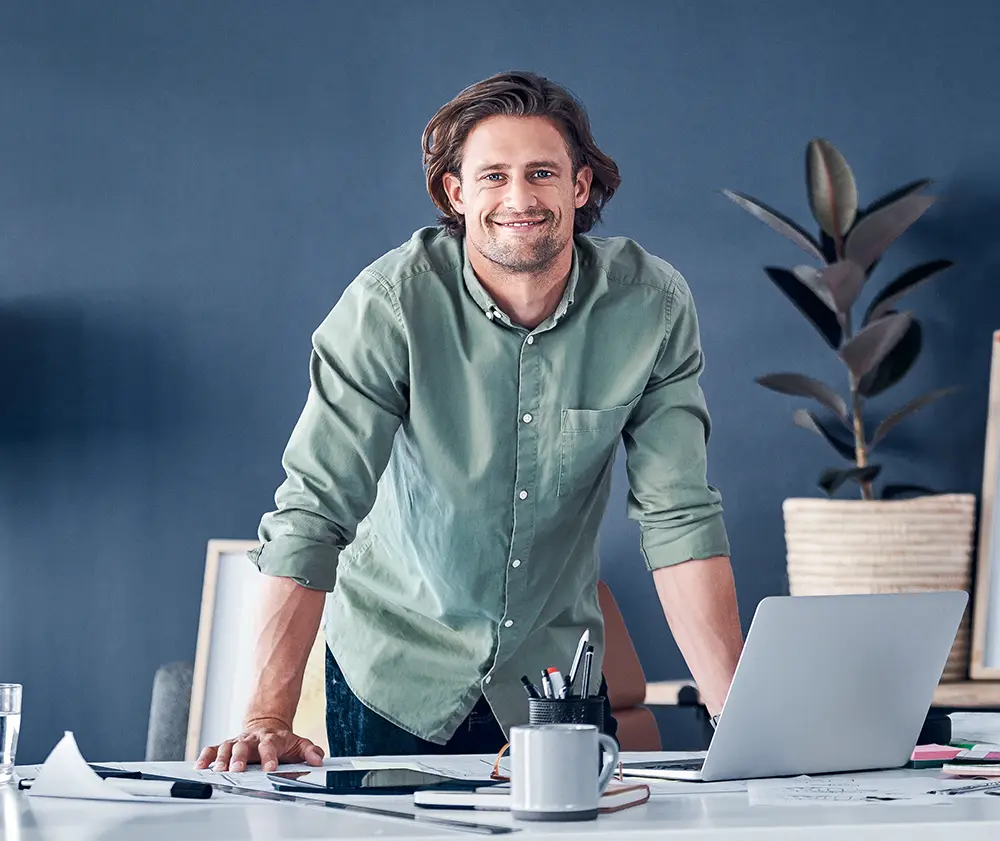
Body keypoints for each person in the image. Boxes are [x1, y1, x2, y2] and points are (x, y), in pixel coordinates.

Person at [196, 70, 744, 773]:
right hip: (395, 675)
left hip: (555, 680)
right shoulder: (387, 305)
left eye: (542, 172)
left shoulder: (651, 306)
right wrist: (267, 716)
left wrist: (734, 716)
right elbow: (314, 511)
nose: (519, 198)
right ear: (457, 194)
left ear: (580, 186)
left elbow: (679, 515)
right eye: (493, 176)